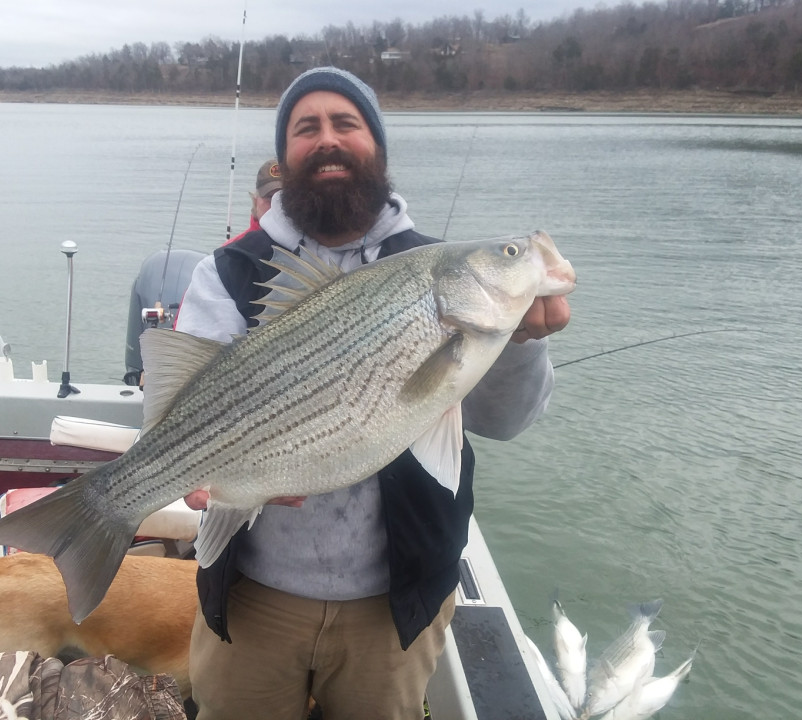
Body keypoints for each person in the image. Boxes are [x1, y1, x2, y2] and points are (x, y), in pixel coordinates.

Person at [174, 67, 571, 720]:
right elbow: (186, 406)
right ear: (285, 156)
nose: (327, 139)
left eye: (346, 123)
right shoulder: (227, 272)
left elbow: (504, 422)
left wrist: (522, 342)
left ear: (377, 148)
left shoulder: (436, 265)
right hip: (253, 599)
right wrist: (199, 473)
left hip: (394, 606)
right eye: (307, 128)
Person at [224, 157, 282, 245]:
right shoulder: (232, 250)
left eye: (282, 198)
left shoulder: (307, 248)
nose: (276, 205)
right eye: (269, 198)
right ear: (255, 201)